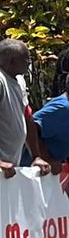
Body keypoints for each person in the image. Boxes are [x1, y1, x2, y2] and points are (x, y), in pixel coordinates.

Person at [0, 39, 30, 177]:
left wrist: (36, 155)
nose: (29, 62)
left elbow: (27, 115)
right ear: (12, 61)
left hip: (11, 165)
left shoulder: (19, 80)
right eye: (26, 58)